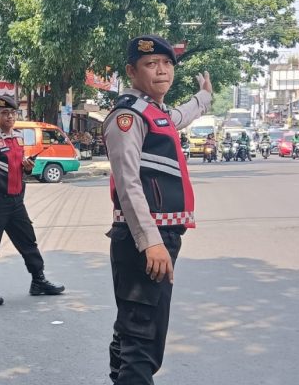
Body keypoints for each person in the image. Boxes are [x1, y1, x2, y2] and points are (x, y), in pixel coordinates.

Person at [103, 34, 212, 385]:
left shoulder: (156, 112)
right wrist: (150, 240)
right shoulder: (127, 116)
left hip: (159, 236)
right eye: (151, 64)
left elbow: (182, 115)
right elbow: (127, 181)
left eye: (167, 64)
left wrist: (205, 97)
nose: (162, 70)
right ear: (131, 71)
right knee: (143, 342)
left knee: (131, 331)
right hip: (145, 240)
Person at [0, 95, 65, 306]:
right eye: (5, 113)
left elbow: (16, 168)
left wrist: (26, 166)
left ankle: (38, 280)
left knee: (28, 242)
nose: (10, 117)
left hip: (16, 201)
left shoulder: (18, 138)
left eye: (13, 113)